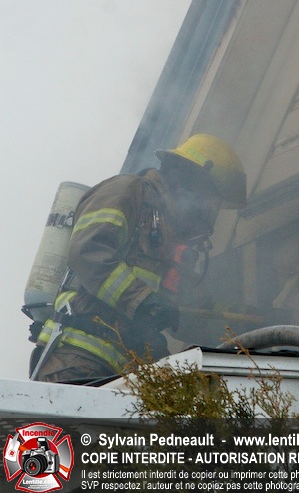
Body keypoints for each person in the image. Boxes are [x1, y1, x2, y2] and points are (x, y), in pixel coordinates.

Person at [31, 134, 247, 383]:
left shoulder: (170, 233)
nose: (210, 214)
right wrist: (142, 300)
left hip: (126, 372)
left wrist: (237, 319)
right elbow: (88, 252)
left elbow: (181, 309)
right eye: (212, 201)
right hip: (78, 357)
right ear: (193, 182)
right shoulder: (127, 191)